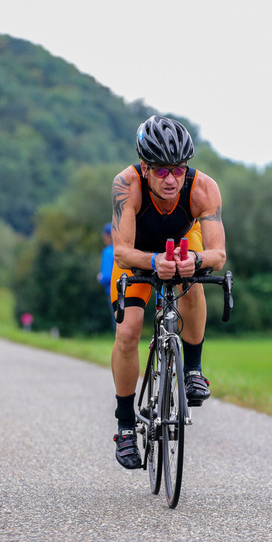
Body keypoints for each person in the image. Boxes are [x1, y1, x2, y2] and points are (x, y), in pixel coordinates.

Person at [108, 115, 227, 469]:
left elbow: (218, 254)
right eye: (160, 171)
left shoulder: (204, 188)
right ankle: (126, 425)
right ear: (144, 167)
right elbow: (121, 251)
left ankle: (192, 370)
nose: (171, 179)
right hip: (138, 254)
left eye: (177, 169)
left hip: (181, 243)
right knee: (128, 331)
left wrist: (195, 258)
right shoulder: (125, 185)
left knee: (192, 282)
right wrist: (154, 260)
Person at [97, 222, 116, 331]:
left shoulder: (108, 251)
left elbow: (107, 276)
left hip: (113, 291)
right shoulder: (125, 249)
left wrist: (100, 277)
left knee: (117, 321)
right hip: (129, 289)